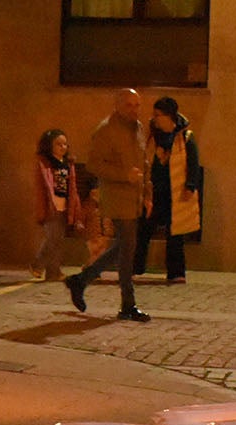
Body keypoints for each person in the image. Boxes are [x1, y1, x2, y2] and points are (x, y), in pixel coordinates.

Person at [64, 87, 151, 323]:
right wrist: (124, 175)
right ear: (118, 106)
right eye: (128, 105)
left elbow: (144, 163)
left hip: (134, 197)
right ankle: (127, 304)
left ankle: (82, 281)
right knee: (127, 247)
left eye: (137, 105)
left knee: (125, 247)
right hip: (116, 195)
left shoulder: (139, 128)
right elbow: (93, 164)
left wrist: (147, 194)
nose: (134, 110)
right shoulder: (105, 131)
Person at [133, 95, 202, 284]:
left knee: (175, 233)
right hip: (154, 191)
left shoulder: (185, 137)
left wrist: (190, 185)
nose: (154, 118)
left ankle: (176, 272)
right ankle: (136, 267)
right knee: (144, 228)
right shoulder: (152, 135)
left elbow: (193, 163)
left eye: (158, 115)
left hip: (176, 191)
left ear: (169, 116)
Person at [30, 128, 85, 280]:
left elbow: (72, 187)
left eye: (65, 144)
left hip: (64, 206)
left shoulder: (68, 164)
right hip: (51, 206)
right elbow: (42, 187)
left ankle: (53, 272)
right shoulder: (45, 163)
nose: (62, 147)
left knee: (58, 240)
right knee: (51, 238)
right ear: (49, 146)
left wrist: (75, 208)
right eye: (58, 144)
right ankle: (37, 264)